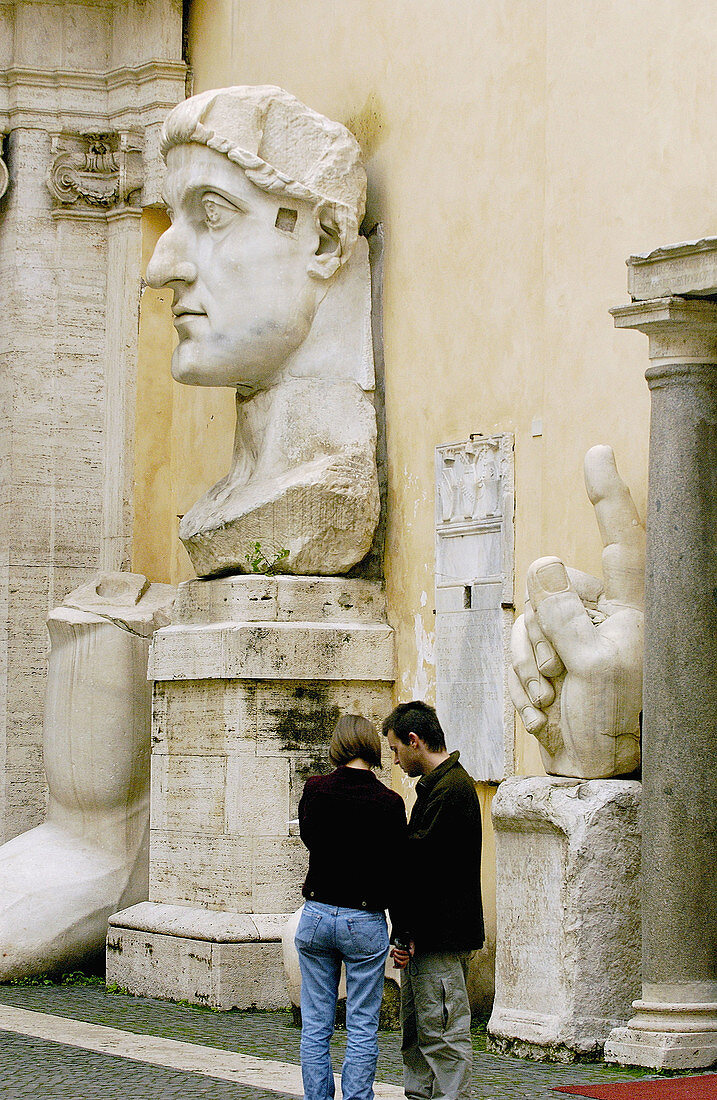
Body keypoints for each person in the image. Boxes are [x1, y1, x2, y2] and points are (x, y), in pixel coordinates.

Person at [295, 714, 408, 1100]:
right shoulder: (389, 803)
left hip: (316, 914)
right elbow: (397, 870)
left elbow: (310, 838)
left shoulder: (316, 789)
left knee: (315, 1025)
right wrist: (403, 931)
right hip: (364, 919)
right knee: (362, 1025)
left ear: (338, 746)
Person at [382, 700, 484, 1100]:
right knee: (419, 1037)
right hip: (427, 936)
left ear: (414, 740)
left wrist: (406, 931)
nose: (394, 760)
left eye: (395, 749)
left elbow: (421, 869)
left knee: (443, 1038)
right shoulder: (438, 787)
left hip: (438, 938)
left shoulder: (451, 790)